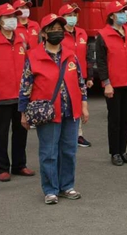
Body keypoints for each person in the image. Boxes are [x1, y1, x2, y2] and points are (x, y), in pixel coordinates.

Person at [19, 13, 89, 204]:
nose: (57, 32)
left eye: (60, 29)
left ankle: (67, 186)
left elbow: (80, 81)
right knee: (49, 153)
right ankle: (50, 189)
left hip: (70, 110)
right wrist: (23, 112)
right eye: (53, 30)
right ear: (44, 33)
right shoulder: (33, 56)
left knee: (69, 151)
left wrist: (84, 105)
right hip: (47, 112)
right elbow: (25, 85)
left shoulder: (70, 54)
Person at [0, 3, 35, 181]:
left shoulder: (21, 38)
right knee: (1, 133)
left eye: (14, 16)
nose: (12, 20)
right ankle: (1, 168)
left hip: (21, 95)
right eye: (8, 17)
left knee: (21, 131)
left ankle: (19, 165)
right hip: (1, 95)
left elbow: (28, 66)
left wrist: (30, 91)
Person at [96, 0, 127, 165]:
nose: (124, 15)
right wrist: (106, 82)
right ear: (111, 16)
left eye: (125, 11)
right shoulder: (103, 35)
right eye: (120, 12)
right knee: (115, 120)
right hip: (114, 84)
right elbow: (101, 62)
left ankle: (123, 150)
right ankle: (115, 152)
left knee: (126, 120)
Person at [58, 3, 93, 147]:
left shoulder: (82, 32)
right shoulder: (59, 35)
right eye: (69, 15)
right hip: (63, 76)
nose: (72, 18)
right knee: (64, 105)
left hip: (80, 76)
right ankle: (63, 135)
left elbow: (87, 55)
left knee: (79, 104)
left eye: (74, 15)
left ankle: (78, 135)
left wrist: (89, 76)